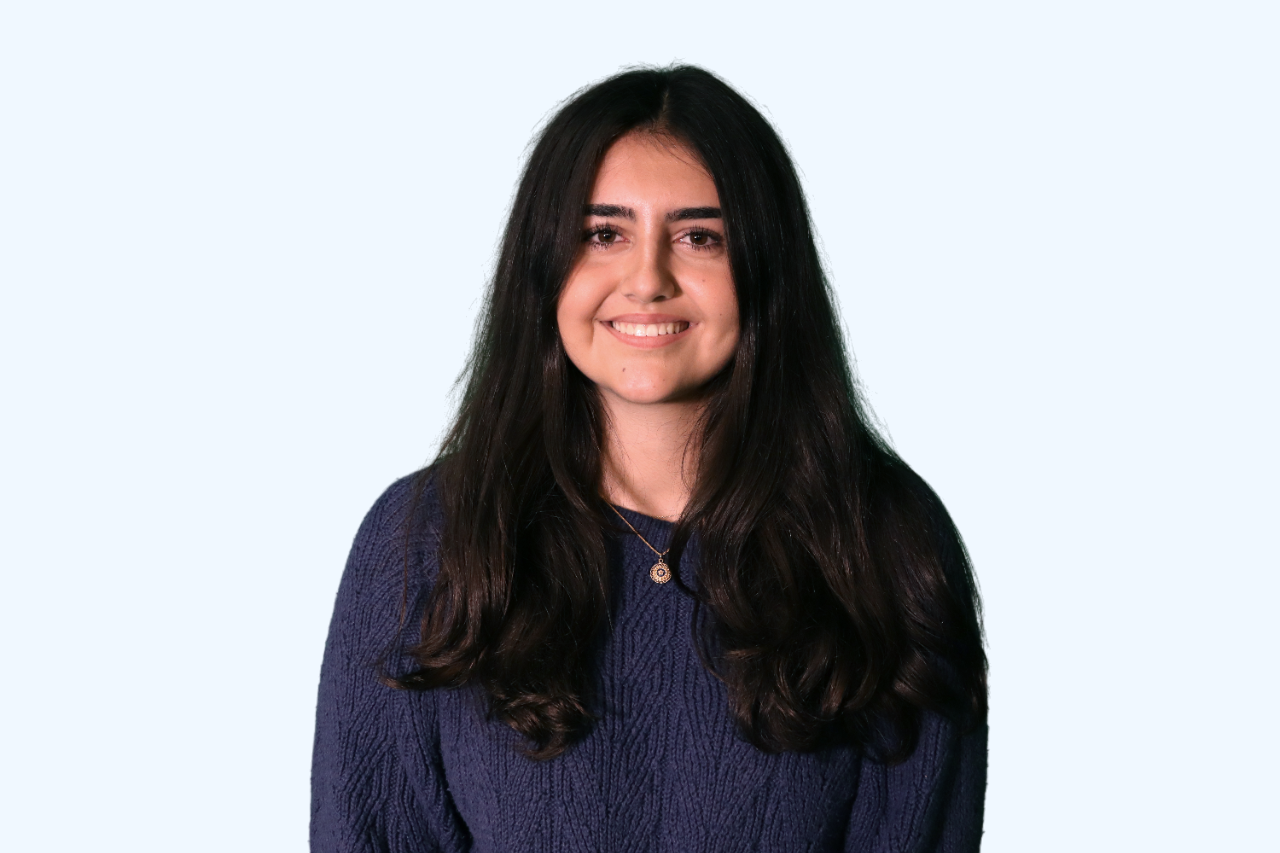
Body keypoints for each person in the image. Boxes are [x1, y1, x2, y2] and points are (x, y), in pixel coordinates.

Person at [311, 65, 988, 852]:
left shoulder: (886, 543)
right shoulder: (425, 539)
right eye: (604, 234)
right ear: (545, 268)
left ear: (764, 268)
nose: (647, 279)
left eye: (700, 237)